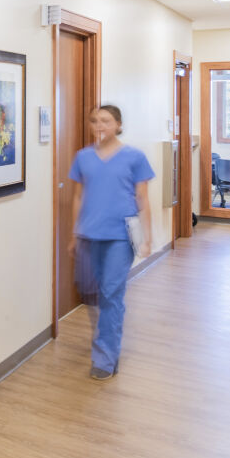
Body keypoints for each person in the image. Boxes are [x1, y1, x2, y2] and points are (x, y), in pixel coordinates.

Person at [68, 105, 154, 381]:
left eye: (105, 120)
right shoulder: (83, 157)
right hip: (88, 235)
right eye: (95, 121)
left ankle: (105, 358)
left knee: (111, 294)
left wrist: (147, 238)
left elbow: (142, 199)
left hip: (120, 236)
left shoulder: (134, 157)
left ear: (118, 124)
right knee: (90, 292)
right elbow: (78, 197)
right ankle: (106, 338)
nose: (99, 125)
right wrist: (74, 234)